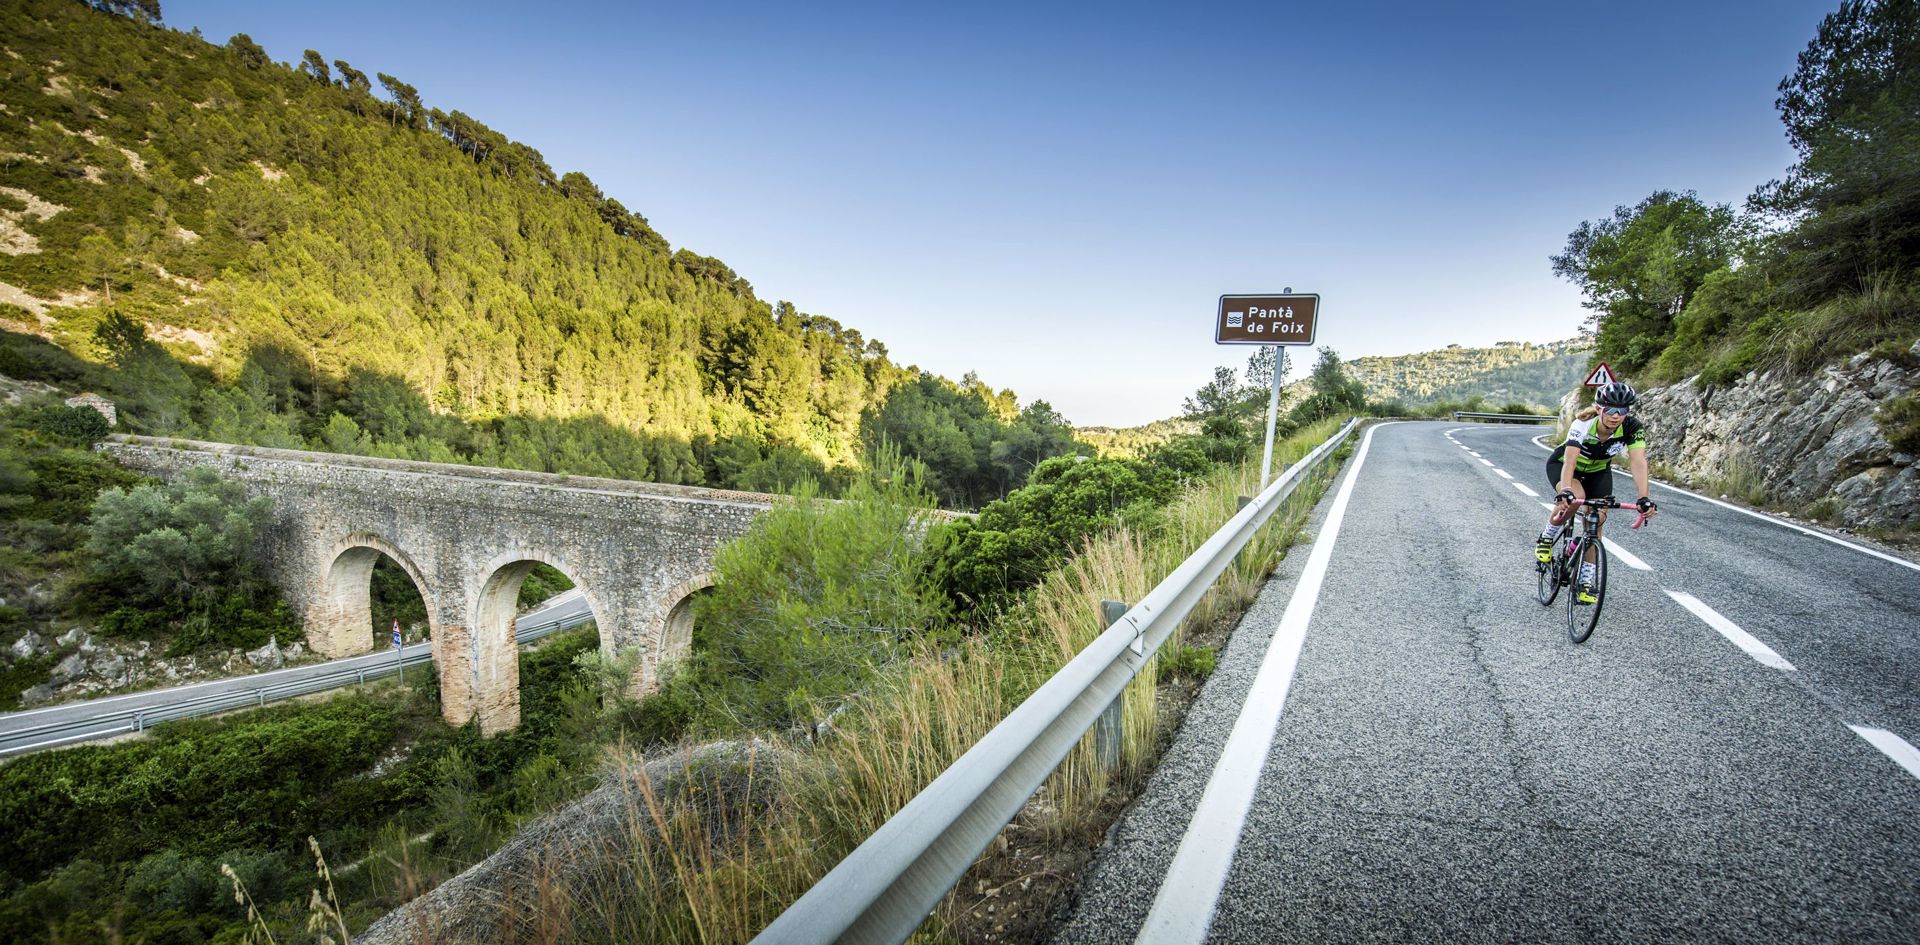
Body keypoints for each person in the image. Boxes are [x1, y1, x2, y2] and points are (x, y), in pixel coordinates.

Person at [1535, 381, 1658, 603]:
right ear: (1599, 408)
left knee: (1597, 522)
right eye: (1610, 410)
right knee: (1573, 500)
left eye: (1623, 411)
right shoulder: (1583, 424)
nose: (1616, 416)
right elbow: (1570, 461)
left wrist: (1643, 497)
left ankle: (1586, 581)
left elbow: (1638, 461)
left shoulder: (1632, 428)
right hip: (1566, 467)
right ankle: (1547, 537)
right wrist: (1564, 490)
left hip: (1598, 472)